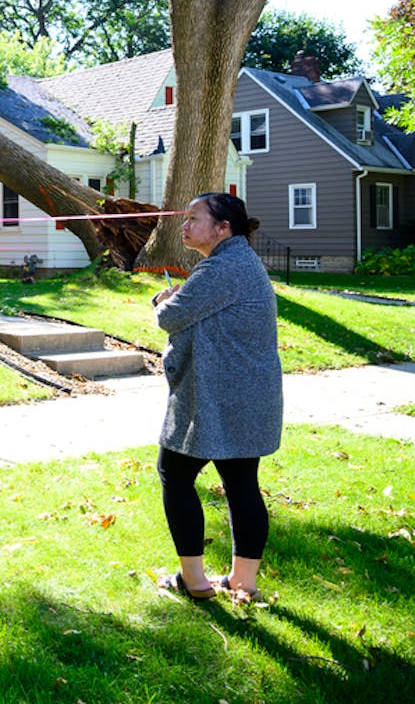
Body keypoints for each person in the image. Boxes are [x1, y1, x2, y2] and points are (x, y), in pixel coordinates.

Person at [150, 192, 283, 603]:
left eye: (194, 219)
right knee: (242, 484)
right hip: (249, 395)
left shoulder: (224, 267)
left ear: (223, 228)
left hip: (218, 399)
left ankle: (195, 582)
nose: (184, 226)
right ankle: (243, 584)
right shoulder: (239, 263)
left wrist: (163, 301)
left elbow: (170, 317)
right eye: (184, 219)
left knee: (175, 474)